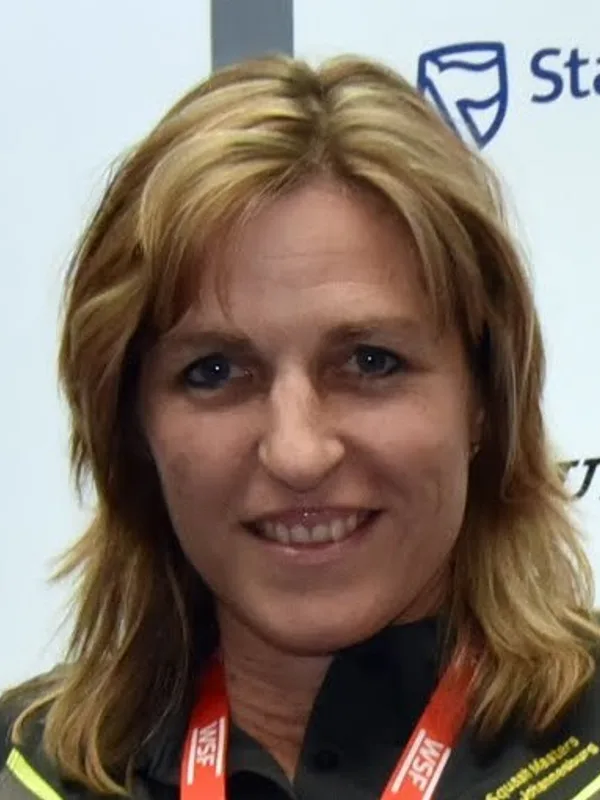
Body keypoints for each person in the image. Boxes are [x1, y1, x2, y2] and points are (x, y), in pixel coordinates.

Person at [1, 52, 600, 800]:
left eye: (371, 362)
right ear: (132, 427)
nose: (297, 452)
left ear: (484, 397)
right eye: (215, 371)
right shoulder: (25, 770)